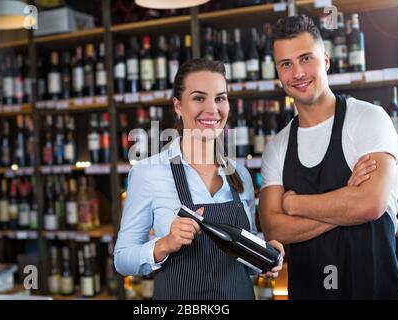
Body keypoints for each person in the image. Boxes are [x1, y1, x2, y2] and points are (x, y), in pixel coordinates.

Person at [259, 15, 398, 299]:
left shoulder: (368, 119)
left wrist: (294, 203)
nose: (298, 73)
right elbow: (274, 227)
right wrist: (347, 199)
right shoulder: (277, 146)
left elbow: (370, 205)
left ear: (325, 60)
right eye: (286, 64)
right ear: (277, 72)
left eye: (306, 58)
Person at [115, 58, 284, 300]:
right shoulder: (150, 172)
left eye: (220, 98)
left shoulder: (241, 176)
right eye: (198, 98)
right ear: (178, 106)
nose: (212, 109)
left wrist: (265, 255)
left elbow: (244, 260)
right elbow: (122, 259)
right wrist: (164, 244)